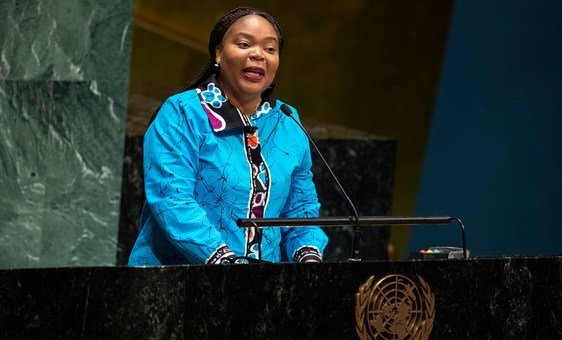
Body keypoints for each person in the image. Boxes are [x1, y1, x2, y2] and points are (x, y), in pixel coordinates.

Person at [128, 7, 328, 265]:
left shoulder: (287, 121)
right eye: (244, 44)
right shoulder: (182, 113)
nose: (258, 54)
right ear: (219, 54)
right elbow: (172, 198)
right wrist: (227, 264)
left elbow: (300, 210)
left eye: (270, 49)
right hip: (177, 286)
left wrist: (309, 257)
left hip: (262, 290)